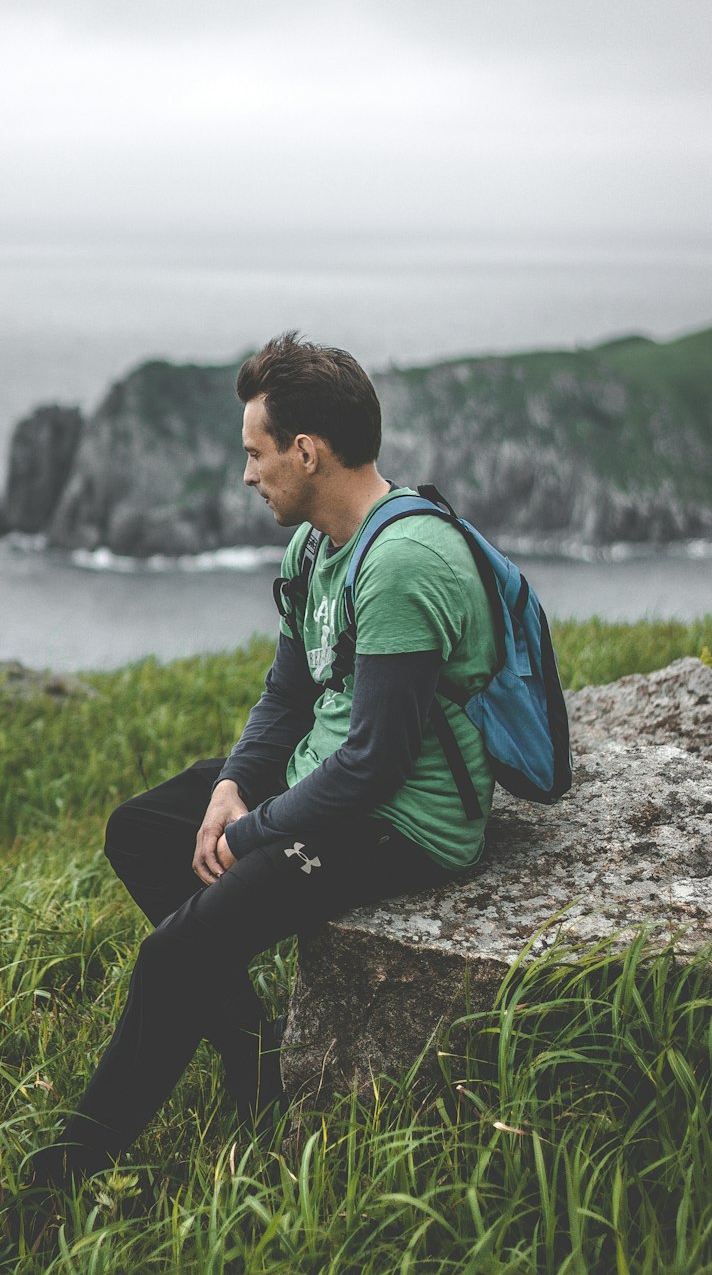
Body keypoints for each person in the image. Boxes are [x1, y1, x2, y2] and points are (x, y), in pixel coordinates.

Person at [25, 330, 497, 1199]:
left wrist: (252, 833)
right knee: (141, 830)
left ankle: (64, 1177)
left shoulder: (399, 564)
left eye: (256, 453)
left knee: (171, 958)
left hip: (405, 822)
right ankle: (256, 1059)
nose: (246, 474)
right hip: (337, 776)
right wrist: (234, 786)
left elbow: (378, 765)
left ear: (306, 452)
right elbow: (286, 699)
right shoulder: (314, 547)